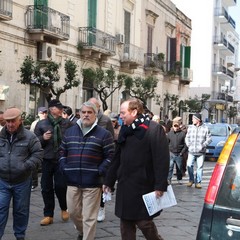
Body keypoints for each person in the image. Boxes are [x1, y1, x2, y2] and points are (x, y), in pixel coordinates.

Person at [103, 98, 170, 240]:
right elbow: (117, 157)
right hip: (125, 184)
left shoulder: (153, 129)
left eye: (122, 113)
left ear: (134, 112)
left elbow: (161, 159)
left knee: (144, 222)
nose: (120, 116)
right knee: (125, 222)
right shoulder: (125, 130)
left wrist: (160, 185)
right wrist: (109, 181)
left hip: (144, 185)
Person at [59, 101, 115, 240]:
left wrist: (100, 170)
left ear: (95, 115)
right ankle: (82, 232)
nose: (86, 115)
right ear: (79, 113)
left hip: (93, 182)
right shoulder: (70, 131)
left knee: (89, 217)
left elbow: (111, 155)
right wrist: (64, 167)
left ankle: (87, 236)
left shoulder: (104, 134)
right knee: (72, 212)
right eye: (83, 112)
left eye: (89, 112)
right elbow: (62, 151)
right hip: (72, 180)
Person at [0, 107, 43, 240]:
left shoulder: (30, 136)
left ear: (20, 121)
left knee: (21, 210)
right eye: (8, 122)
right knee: (1, 210)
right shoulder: (0, 137)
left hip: (22, 181)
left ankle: (20, 236)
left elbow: (38, 153)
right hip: (3, 181)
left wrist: (26, 166)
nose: (10, 124)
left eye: (13, 121)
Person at [34, 99, 73, 226]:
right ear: (51, 109)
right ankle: (48, 215)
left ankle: (64, 208)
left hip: (62, 159)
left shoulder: (68, 124)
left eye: (62, 108)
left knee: (61, 186)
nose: (61, 109)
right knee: (46, 188)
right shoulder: (41, 124)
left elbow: (73, 139)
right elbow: (34, 143)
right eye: (58, 107)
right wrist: (43, 138)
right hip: (46, 159)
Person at [88, 97, 114, 222]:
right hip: (87, 156)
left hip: (101, 157)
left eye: (93, 106)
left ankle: (101, 207)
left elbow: (111, 138)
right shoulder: (83, 119)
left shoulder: (105, 120)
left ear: (98, 107)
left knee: (100, 184)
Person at [185, 113, 212, 189]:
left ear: (198, 120)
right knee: (189, 165)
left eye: (193, 119)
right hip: (191, 151)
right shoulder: (190, 128)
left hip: (201, 152)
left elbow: (209, 139)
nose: (192, 120)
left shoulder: (205, 128)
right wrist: (188, 144)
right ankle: (191, 180)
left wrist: (203, 145)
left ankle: (198, 182)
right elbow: (187, 137)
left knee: (199, 167)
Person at [30, 106, 48, 190]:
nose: (44, 114)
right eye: (42, 113)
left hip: (47, 149)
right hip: (37, 148)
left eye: (45, 112)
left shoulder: (50, 123)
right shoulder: (35, 123)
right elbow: (31, 136)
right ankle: (34, 183)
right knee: (35, 166)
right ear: (38, 114)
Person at [167, 118, 187, 185]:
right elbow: (167, 143)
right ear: (172, 126)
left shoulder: (183, 134)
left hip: (179, 153)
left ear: (179, 126)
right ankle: (169, 179)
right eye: (174, 126)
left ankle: (179, 179)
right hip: (171, 153)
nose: (176, 127)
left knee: (179, 167)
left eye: (177, 126)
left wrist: (182, 152)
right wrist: (168, 151)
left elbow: (185, 144)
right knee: (170, 167)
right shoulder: (169, 134)